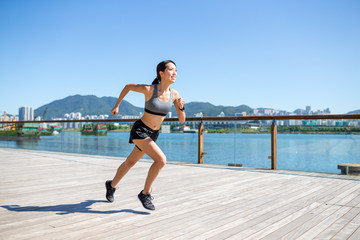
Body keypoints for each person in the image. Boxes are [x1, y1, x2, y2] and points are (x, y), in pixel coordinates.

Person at [106, 60, 186, 210]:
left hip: (153, 134)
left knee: (130, 162)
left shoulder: (174, 94)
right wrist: (116, 105)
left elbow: (182, 120)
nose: (175, 73)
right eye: (171, 70)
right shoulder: (150, 89)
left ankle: (111, 185)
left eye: (176, 70)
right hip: (140, 130)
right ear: (161, 73)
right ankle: (145, 193)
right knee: (161, 160)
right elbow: (128, 86)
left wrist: (181, 108)